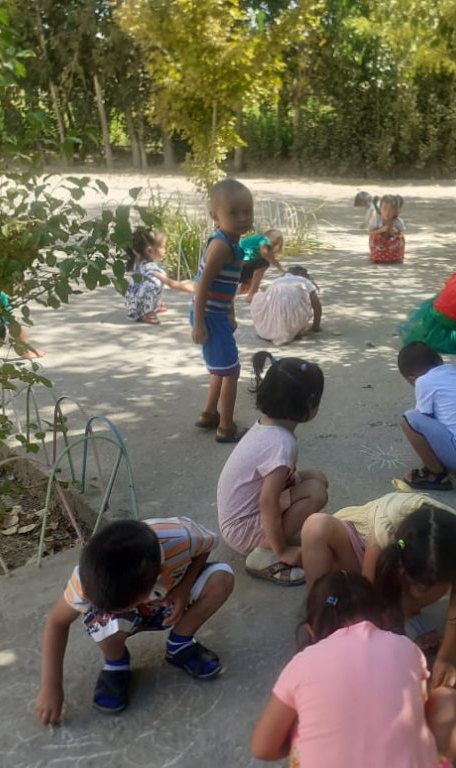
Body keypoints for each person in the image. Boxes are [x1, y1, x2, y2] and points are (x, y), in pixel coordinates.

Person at [251, 571, 456, 768]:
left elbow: (262, 748)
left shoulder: (302, 662)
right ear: (383, 619)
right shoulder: (406, 647)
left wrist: (306, 742)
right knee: (449, 701)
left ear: (311, 631)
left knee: (299, 718)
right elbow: (419, 713)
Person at [34, 518, 234, 724]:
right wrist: (51, 686)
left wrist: (184, 586)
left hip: (170, 597)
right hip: (139, 610)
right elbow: (57, 622)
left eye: (124, 606)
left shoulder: (182, 535)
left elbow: (207, 545)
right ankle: (116, 662)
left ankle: (179, 644)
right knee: (99, 618)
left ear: (159, 572)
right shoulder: (87, 579)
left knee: (222, 579)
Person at [301, 490, 456, 690]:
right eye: (418, 584)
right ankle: (323, 617)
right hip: (357, 559)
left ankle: (403, 615)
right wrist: (370, 646)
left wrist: (446, 659)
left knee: (421, 590)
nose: (422, 591)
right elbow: (369, 593)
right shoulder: (389, 524)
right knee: (316, 527)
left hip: (395, 570)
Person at [216, 352, 329, 587]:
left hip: (238, 517)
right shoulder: (282, 444)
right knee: (316, 493)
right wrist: (282, 549)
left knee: (317, 478)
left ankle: (275, 537)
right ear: (310, 406)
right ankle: (265, 553)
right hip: (242, 529)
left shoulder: (266, 426)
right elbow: (267, 501)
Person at [191, 178, 253, 443]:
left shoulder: (232, 244)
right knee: (231, 371)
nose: (242, 218)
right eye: (233, 213)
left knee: (221, 368)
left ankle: (209, 413)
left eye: (247, 211)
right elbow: (202, 286)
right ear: (215, 216)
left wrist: (231, 313)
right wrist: (199, 323)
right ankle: (226, 428)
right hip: (209, 316)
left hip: (217, 315)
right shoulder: (220, 246)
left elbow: (225, 287)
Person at [397, 342, 456, 491]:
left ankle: (435, 475)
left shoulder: (423, 381)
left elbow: (422, 418)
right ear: (439, 360)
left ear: (411, 378)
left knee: (410, 420)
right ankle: (445, 462)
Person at [401, 258, 456, 355]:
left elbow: (445, 294)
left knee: (436, 302)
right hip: (450, 324)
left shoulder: (454, 278)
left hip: (433, 315)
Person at [123, 227, 194, 324]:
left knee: (149, 282)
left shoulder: (138, 262)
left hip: (132, 305)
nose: (165, 250)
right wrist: (194, 288)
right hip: (140, 310)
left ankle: (155, 305)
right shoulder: (153, 269)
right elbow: (172, 284)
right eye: (162, 247)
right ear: (149, 251)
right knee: (155, 283)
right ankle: (147, 313)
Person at [249, 266, 322, 346]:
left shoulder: (277, 281)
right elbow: (316, 305)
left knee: (260, 297)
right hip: (294, 310)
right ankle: (292, 329)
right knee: (302, 301)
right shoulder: (305, 281)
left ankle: (271, 330)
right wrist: (316, 326)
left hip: (275, 310)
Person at [238, 228, 285, 303]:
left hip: (239, 267)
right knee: (264, 263)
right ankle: (252, 293)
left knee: (259, 263)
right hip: (238, 266)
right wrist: (281, 269)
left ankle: (245, 287)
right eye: (274, 242)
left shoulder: (259, 243)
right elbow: (265, 254)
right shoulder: (263, 239)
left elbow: (270, 257)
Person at [368, 194, 405, 264]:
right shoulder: (376, 220)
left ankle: (396, 257)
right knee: (376, 237)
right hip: (379, 246)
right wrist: (380, 230)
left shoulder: (398, 222)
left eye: (391, 210)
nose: (387, 212)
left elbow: (401, 236)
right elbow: (370, 233)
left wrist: (395, 233)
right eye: (384, 209)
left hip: (393, 246)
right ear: (380, 209)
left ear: (395, 211)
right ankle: (377, 257)